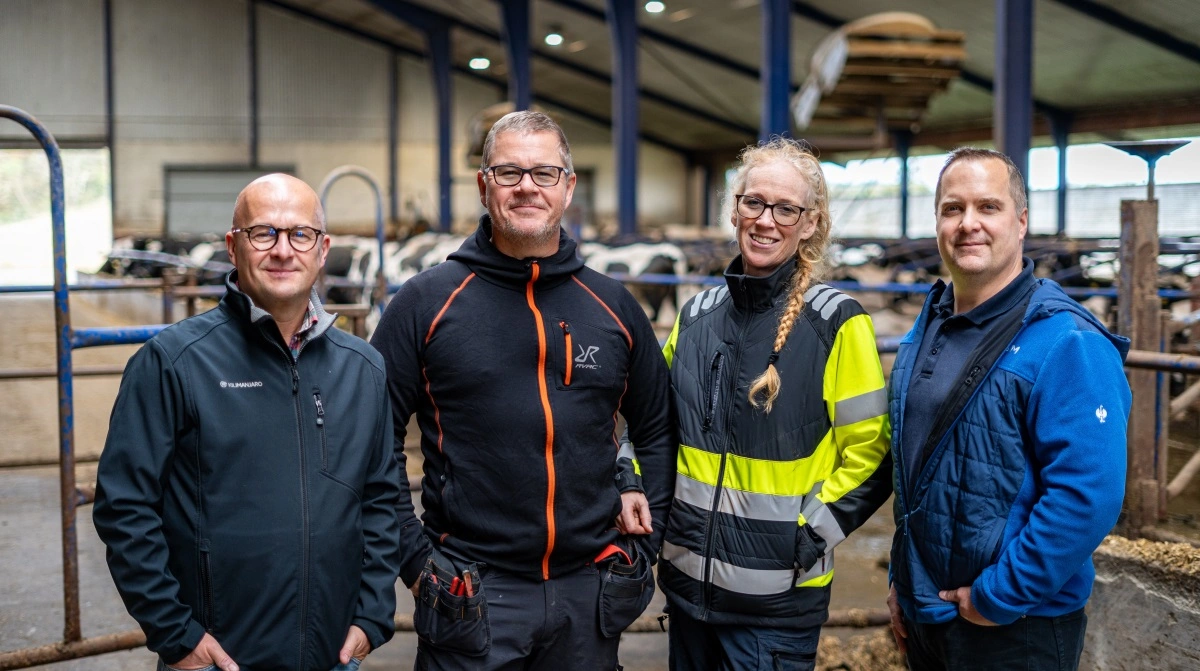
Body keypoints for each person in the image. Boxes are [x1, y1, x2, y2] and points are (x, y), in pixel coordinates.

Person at [369, 110, 676, 670]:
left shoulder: (612, 305)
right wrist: (416, 563)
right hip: (470, 591)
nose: (527, 187)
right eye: (509, 172)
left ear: (568, 186)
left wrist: (644, 543)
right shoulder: (426, 303)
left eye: (544, 173)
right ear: (485, 185)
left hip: (590, 591)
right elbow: (374, 441)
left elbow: (656, 426)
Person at [93, 174, 403, 671]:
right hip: (219, 659)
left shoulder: (362, 367)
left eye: (300, 234)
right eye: (264, 233)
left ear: (323, 250)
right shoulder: (173, 362)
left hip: (334, 655)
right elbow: (123, 507)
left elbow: (382, 498)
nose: (283, 250)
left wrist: (372, 614)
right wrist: (176, 634)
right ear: (233, 247)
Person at [650, 137, 893, 670]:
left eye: (786, 208)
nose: (766, 220)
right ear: (735, 209)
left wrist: (802, 539)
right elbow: (653, 426)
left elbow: (872, 455)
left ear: (810, 223)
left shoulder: (835, 324)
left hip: (775, 605)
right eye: (754, 202)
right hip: (688, 588)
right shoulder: (696, 317)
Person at [886, 148, 1131, 670]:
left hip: (1015, 628)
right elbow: (917, 473)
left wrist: (998, 597)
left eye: (988, 207)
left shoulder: (1067, 341)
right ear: (936, 224)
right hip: (930, 616)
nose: (968, 223)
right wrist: (902, 582)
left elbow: (1088, 495)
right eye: (953, 209)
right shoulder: (926, 328)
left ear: (1021, 223)